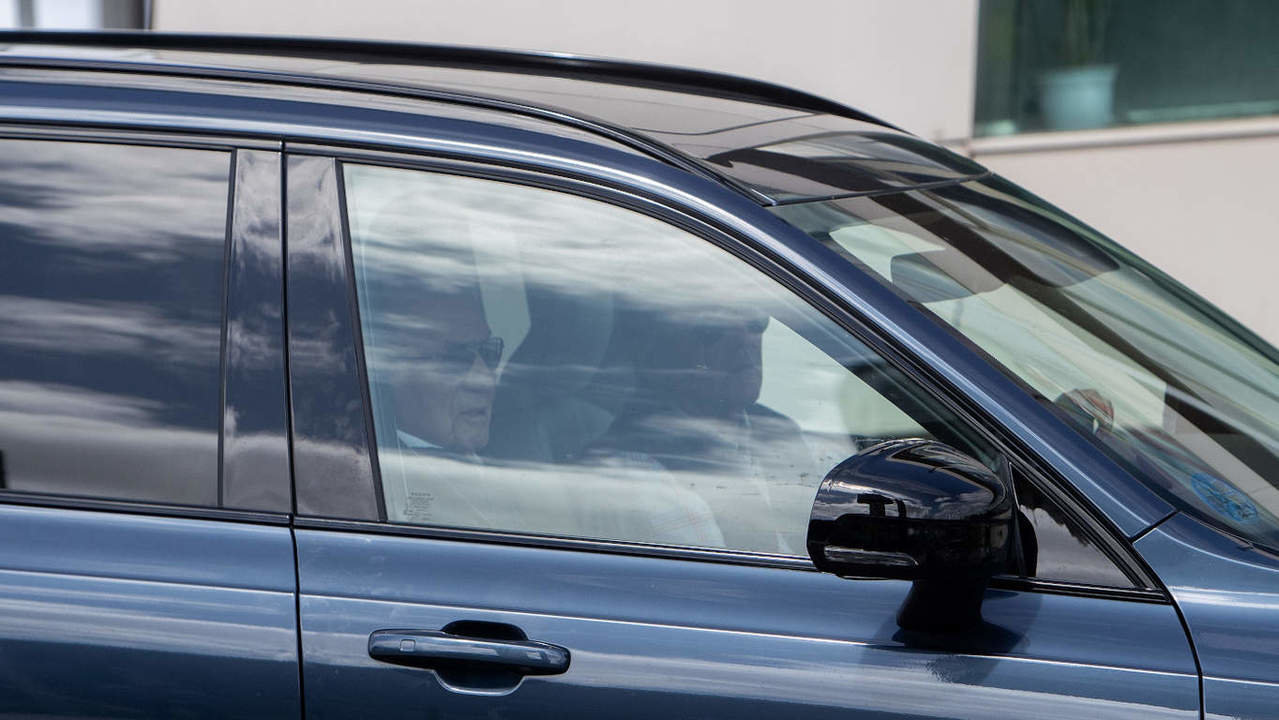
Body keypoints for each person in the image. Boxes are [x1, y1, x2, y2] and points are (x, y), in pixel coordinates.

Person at [591, 310, 816, 554]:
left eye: (754, 320)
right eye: (713, 327)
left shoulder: (780, 432)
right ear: (658, 352)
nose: (744, 338)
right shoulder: (637, 479)